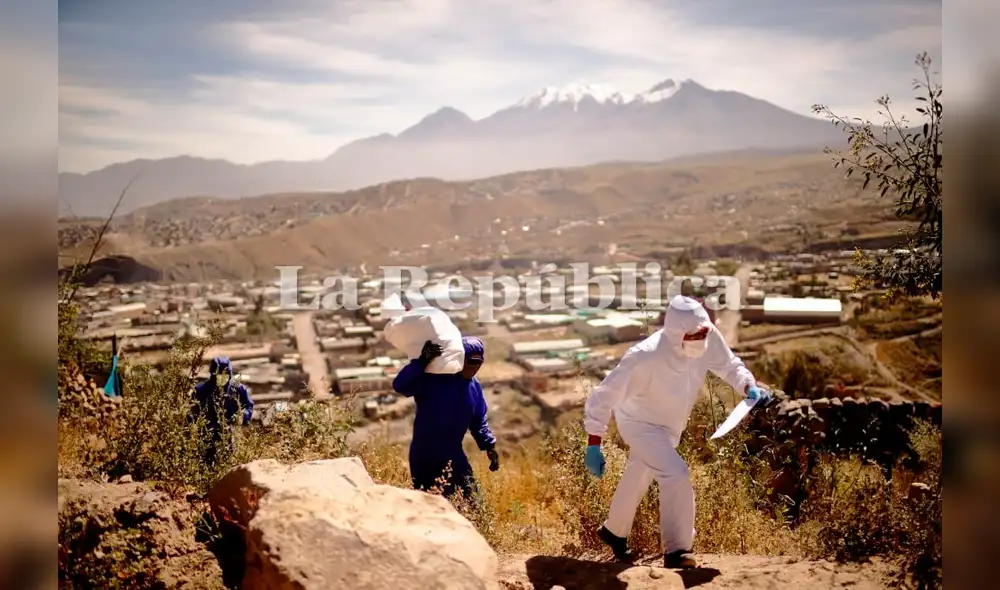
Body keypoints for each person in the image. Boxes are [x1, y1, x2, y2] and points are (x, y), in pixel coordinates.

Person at [583, 295, 771, 569]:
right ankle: (677, 551)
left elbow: (728, 364)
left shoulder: (705, 335)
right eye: (695, 334)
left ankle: (614, 532)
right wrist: (593, 443)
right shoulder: (644, 356)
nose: (702, 338)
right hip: (639, 424)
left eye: (704, 332)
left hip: (671, 426)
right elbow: (603, 397)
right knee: (676, 473)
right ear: (675, 334)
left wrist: (747, 385)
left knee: (640, 471)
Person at [392, 336, 500, 500]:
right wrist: (421, 362)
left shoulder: (474, 386)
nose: (474, 367)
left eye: (478, 363)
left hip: (453, 454)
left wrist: (489, 446)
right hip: (425, 455)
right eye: (470, 362)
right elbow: (400, 385)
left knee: (473, 502)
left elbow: (478, 421)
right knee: (429, 503)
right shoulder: (434, 379)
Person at [191, 356, 254, 462]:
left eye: (225, 375)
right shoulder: (201, 391)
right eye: (219, 375)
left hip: (230, 436)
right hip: (207, 438)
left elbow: (249, 406)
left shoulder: (238, 389)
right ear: (213, 375)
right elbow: (191, 413)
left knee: (230, 463)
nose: (222, 378)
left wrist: (242, 415)